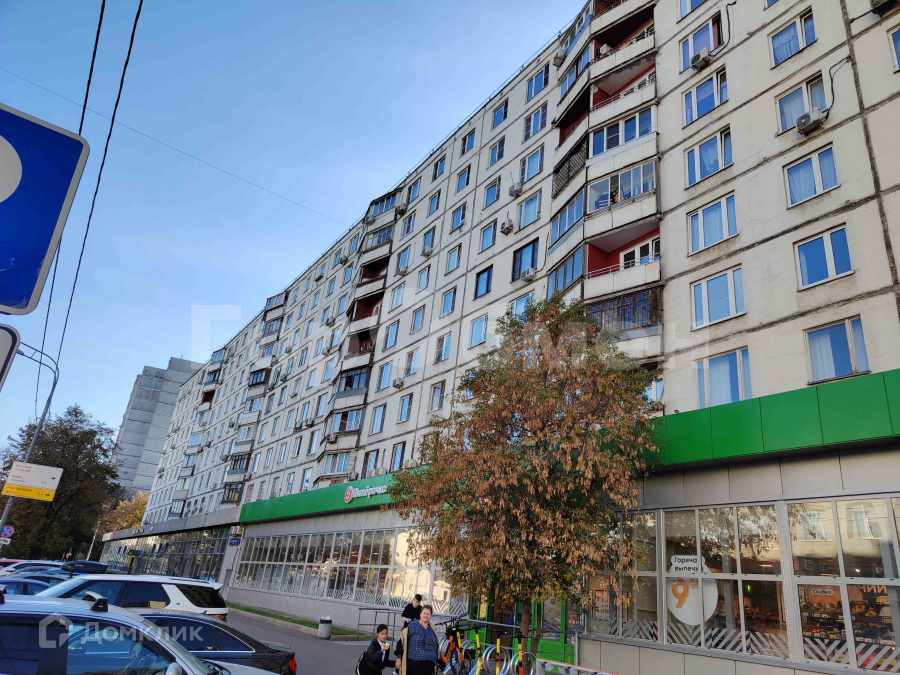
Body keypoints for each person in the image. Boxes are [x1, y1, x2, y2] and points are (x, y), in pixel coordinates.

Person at [395, 603, 439, 675]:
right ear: (420, 614)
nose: (426, 615)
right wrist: (399, 657)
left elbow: (435, 648)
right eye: (424, 613)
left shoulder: (433, 630)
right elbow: (401, 642)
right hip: (413, 666)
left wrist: (436, 664)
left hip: (429, 668)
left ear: (430, 616)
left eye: (428, 614)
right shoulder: (412, 625)